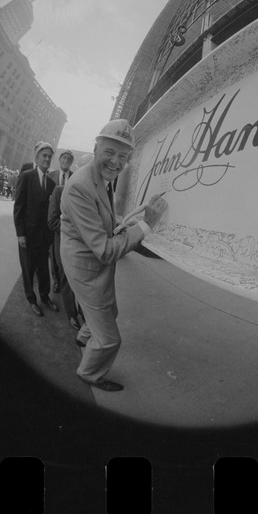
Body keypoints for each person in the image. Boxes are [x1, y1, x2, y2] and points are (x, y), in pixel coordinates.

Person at [60, 120, 167, 392]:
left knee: (110, 310)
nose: (116, 162)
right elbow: (106, 251)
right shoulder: (80, 186)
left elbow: (100, 221)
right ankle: (89, 373)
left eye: (123, 156)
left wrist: (121, 225)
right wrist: (146, 225)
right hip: (86, 269)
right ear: (96, 149)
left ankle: (85, 338)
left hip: (92, 264)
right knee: (110, 340)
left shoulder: (101, 178)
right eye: (110, 152)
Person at [13, 142, 59, 317]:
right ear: (37, 158)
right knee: (28, 269)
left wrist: (49, 237)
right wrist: (20, 234)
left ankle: (45, 297)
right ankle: (32, 300)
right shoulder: (26, 176)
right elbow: (18, 207)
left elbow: (50, 212)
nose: (47, 159)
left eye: (49, 156)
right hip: (27, 235)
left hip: (43, 237)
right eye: (44, 156)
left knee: (43, 270)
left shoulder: (51, 184)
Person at [48, 181, 83, 331]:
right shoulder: (59, 191)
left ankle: (83, 313)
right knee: (66, 279)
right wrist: (76, 228)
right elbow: (52, 221)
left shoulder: (87, 195)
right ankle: (72, 315)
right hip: (62, 244)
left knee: (82, 280)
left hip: (82, 248)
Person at [48, 150, 75, 292]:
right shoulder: (51, 175)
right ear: (60, 160)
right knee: (53, 253)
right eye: (64, 158)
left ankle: (65, 280)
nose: (66, 161)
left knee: (62, 254)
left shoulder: (75, 178)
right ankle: (56, 281)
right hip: (51, 218)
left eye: (69, 159)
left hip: (66, 220)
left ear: (71, 162)